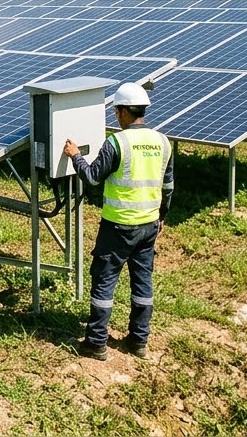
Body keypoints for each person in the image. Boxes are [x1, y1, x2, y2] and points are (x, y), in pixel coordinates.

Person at [63, 81, 174, 361]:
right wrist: (162, 217)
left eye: (116, 111)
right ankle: (139, 341)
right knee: (143, 284)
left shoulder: (117, 143)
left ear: (123, 111)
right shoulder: (163, 142)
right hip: (148, 226)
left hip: (117, 226)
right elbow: (168, 187)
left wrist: (76, 156)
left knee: (104, 282)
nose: (115, 115)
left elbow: (91, 177)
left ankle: (96, 343)